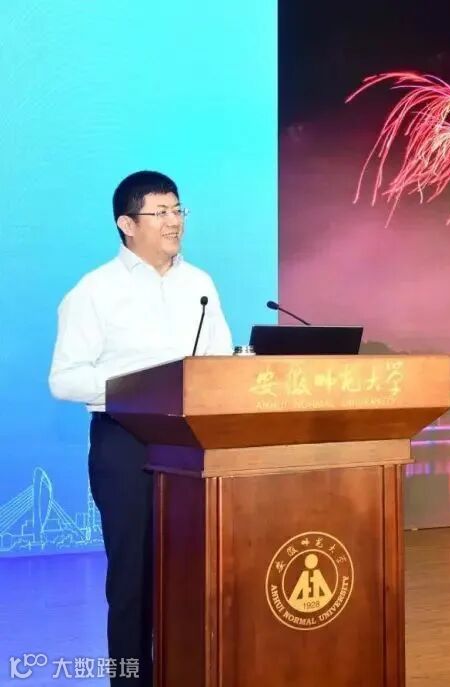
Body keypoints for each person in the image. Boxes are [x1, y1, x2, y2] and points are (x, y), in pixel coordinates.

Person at [48, 171, 234, 685]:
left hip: (192, 446)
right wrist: (142, 387)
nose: (175, 221)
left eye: (178, 210)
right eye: (161, 212)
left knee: (193, 575)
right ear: (127, 225)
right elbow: (64, 379)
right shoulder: (94, 291)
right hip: (125, 443)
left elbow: (218, 362)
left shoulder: (200, 284)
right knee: (132, 580)